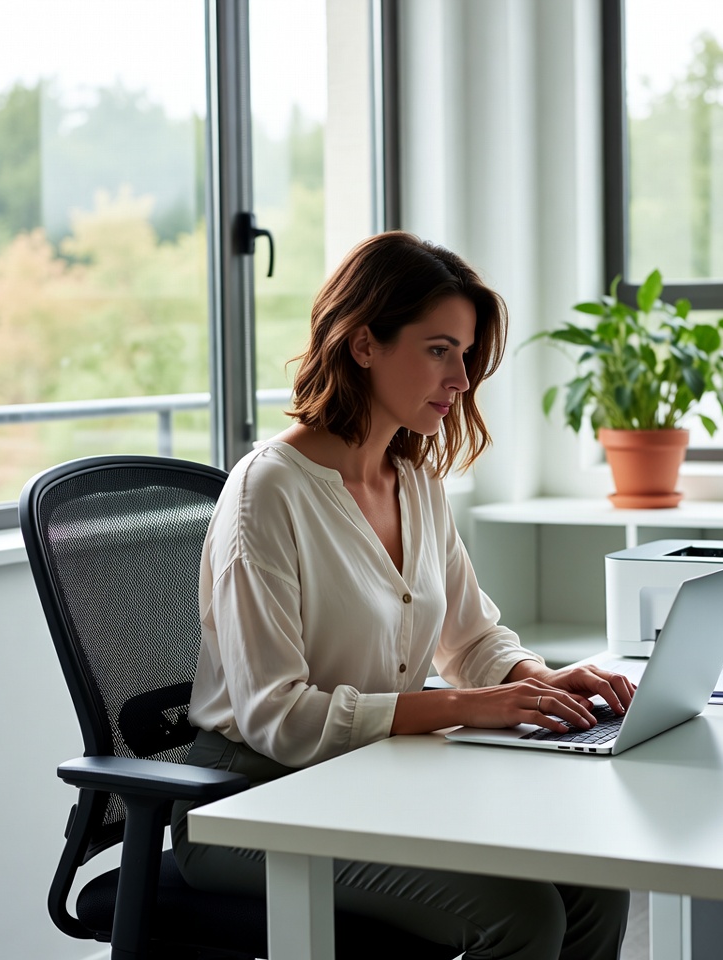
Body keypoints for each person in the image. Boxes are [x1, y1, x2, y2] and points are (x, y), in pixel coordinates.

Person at [171, 231, 636, 959]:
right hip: (246, 804)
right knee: (520, 918)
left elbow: (471, 639)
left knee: (594, 882)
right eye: (439, 349)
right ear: (363, 345)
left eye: (467, 354)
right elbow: (278, 718)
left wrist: (536, 682)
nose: (462, 378)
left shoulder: (413, 480)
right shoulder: (269, 491)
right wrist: (464, 706)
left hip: (369, 779)